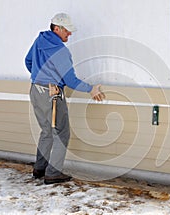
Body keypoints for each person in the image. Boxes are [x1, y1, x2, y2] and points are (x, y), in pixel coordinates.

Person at [25, 13, 105, 185]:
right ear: (58, 28)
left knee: (46, 131)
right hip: (52, 94)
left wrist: (40, 77)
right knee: (62, 133)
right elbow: (70, 81)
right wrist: (90, 89)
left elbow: (28, 61)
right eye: (67, 31)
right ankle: (53, 173)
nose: (70, 34)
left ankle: (40, 168)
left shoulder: (39, 41)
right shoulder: (61, 51)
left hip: (35, 90)